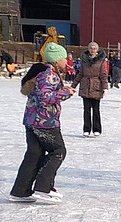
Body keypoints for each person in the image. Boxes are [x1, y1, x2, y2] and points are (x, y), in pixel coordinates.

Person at [8, 42, 75, 204]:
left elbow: (41, 94)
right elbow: (46, 98)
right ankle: (43, 188)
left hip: (31, 120)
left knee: (34, 154)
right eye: (64, 58)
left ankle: (20, 191)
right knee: (58, 151)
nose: (66, 61)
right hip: (45, 121)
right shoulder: (49, 74)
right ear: (56, 59)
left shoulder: (40, 71)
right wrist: (65, 92)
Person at [72, 42, 108, 137]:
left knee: (96, 109)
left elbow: (103, 75)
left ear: (97, 50)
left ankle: (97, 129)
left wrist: (105, 87)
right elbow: (80, 74)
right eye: (91, 48)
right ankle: (86, 129)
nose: (93, 50)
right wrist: (73, 86)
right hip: (85, 86)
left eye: (94, 48)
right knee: (86, 110)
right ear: (88, 49)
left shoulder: (101, 60)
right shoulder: (84, 60)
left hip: (96, 85)